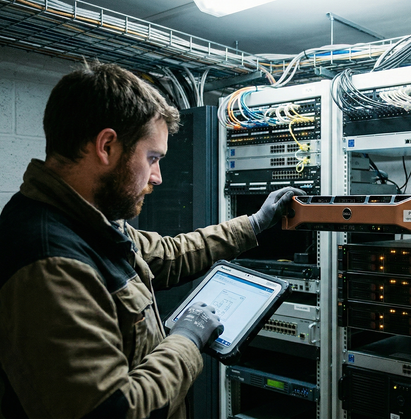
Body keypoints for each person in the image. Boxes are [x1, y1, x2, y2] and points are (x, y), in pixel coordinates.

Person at [0, 62, 303, 419]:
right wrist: (187, 339)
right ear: (107, 146)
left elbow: (167, 255)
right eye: (153, 158)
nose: (157, 177)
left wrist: (254, 224)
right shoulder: (51, 261)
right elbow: (111, 410)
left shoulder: (88, 222)